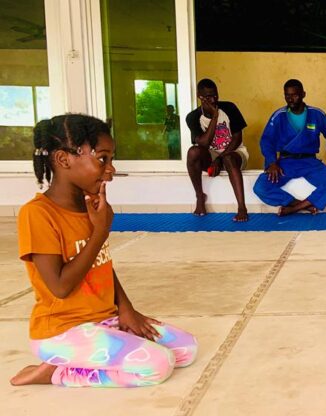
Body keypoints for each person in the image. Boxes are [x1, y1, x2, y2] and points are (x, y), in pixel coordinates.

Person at [10, 114, 198, 387]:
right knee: (157, 365)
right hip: (61, 332)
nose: (111, 169)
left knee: (186, 349)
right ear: (64, 160)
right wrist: (100, 232)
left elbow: (102, 265)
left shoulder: (90, 206)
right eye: (102, 158)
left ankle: (97, 347)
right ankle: (57, 372)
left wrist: (127, 310)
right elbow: (60, 287)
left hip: (104, 320)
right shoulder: (37, 214)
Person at [253, 79, 326, 216]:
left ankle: (293, 209)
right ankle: (302, 205)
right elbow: (267, 140)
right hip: (285, 163)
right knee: (261, 187)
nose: (291, 99)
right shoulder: (279, 115)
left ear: (303, 94)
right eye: (287, 95)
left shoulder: (317, 114)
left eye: (295, 95)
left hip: (310, 162)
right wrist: (272, 163)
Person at [185, 78, 249, 222]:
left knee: (229, 159)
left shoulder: (230, 108)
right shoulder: (193, 117)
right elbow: (203, 143)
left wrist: (220, 159)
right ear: (200, 97)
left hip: (235, 152)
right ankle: (200, 197)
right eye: (208, 97)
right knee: (192, 152)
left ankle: (242, 208)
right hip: (211, 154)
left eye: (215, 95)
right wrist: (214, 117)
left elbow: (237, 138)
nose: (213, 100)